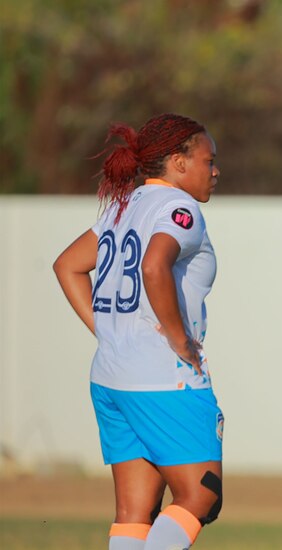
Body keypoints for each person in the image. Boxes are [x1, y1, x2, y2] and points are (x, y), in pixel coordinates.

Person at [54, 113, 223, 550]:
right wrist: (179, 339)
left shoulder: (123, 204)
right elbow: (153, 265)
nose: (216, 170)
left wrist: (108, 330)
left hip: (110, 375)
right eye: (209, 160)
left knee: (136, 512)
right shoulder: (178, 207)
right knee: (200, 495)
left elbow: (68, 266)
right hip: (163, 377)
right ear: (178, 162)